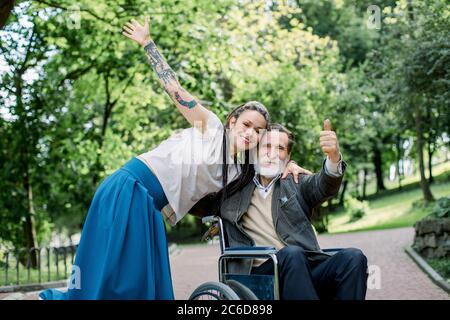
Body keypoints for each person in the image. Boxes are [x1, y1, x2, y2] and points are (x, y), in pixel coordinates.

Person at [39, 17, 307, 300]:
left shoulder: (236, 171)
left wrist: (288, 164)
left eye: (259, 131)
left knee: (139, 284)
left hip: (151, 207)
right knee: (113, 279)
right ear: (232, 122)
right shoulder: (211, 127)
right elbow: (173, 88)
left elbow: (262, 179)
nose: (250, 133)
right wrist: (147, 44)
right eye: (246, 125)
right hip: (129, 188)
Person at [220, 121, 369, 300]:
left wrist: (333, 157)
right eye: (266, 146)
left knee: (354, 258)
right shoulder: (234, 189)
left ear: (288, 156)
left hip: (304, 268)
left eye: (280, 148)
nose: (272, 153)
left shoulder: (296, 181)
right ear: (255, 151)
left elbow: (323, 186)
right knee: (292, 253)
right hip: (261, 274)